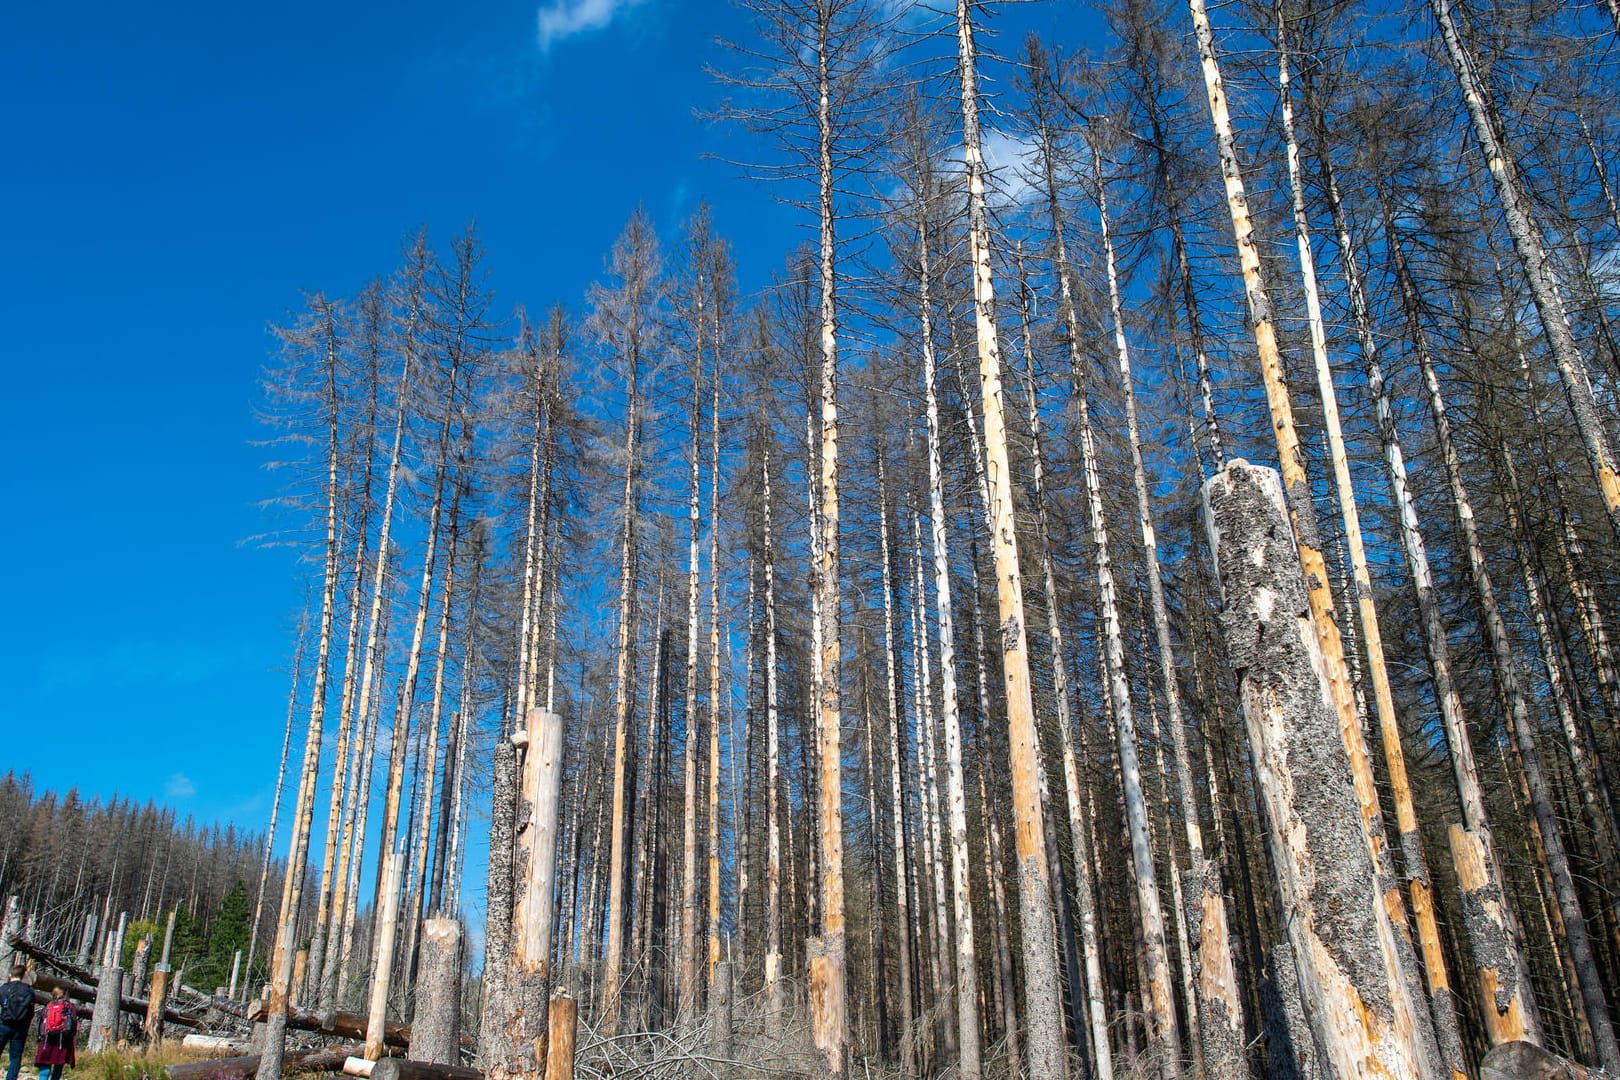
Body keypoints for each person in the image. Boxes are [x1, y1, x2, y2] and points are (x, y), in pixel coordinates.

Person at [33, 987, 75, 1080]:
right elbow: (73, 1024)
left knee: (45, 1064)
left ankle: (43, 1078)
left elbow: (41, 1024)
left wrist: (40, 1037)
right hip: (62, 1041)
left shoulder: (47, 1006)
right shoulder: (69, 1006)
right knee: (58, 1066)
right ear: (64, 994)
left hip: (46, 1040)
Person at [0, 965, 33, 1080]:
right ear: (23, 976)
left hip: (4, 1024)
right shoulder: (28, 991)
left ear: (10, 975)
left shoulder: (4, 988)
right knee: (15, 1057)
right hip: (20, 1028)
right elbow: (30, 1012)